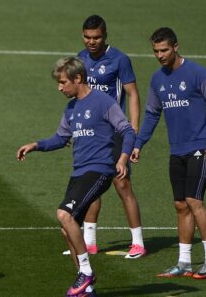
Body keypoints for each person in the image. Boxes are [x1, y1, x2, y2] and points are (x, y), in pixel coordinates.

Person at [17, 56, 134, 296]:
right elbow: (61, 139)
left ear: (77, 78)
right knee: (67, 227)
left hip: (100, 169)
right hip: (79, 172)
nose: (60, 88)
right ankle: (87, 287)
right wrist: (35, 145)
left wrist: (122, 159)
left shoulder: (103, 101)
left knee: (63, 214)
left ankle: (86, 272)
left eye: (62, 82)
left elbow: (127, 130)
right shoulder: (71, 107)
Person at [131, 27, 206, 279]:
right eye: (155, 51)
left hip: (200, 147)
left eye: (164, 50)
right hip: (177, 149)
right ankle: (184, 262)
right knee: (181, 205)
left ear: (175, 46)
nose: (160, 55)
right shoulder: (157, 79)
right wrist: (139, 143)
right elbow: (152, 114)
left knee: (195, 201)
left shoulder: (197, 73)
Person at [73, 15, 145, 259]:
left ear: (105, 36)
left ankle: (137, 243)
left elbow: (132, 94)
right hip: (90, 133)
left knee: (122, 184)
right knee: (91, 184)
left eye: (96, 37)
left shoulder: (119, 59)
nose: (91, 42)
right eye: (87, 37)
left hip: (114, 132)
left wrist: (133, 131)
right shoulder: (80, 59)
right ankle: (90, 242)